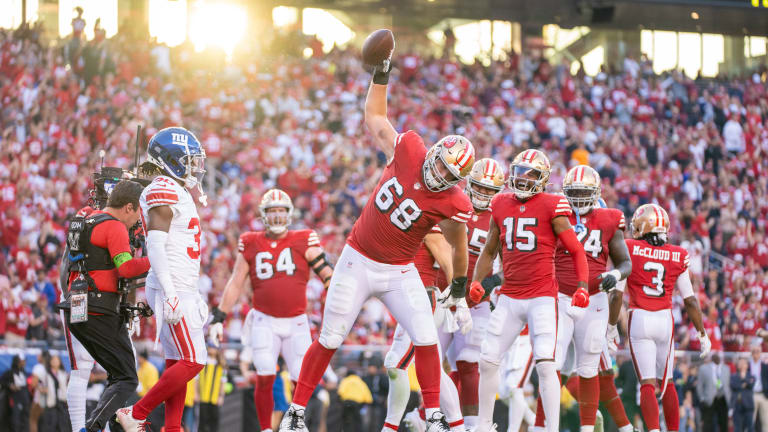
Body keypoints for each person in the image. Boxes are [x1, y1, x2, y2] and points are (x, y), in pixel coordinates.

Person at [279, 39, 475, 432]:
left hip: (400, 270)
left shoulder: (453, 201)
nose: (438, 176)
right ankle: (296, 412)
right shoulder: (410, 150)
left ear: (457, 182)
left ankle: (434, 414)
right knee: (331, 336)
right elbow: (374, 115)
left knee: (425, 336)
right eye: (439, 166)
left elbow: (455, 243)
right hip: (358, 259)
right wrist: (381, 74)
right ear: (433, 152)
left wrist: (457, 286)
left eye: (449, 176)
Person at [471, 149, 590, 432]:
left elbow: (576, 250)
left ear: (543, 178)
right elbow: (489, 249)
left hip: (541, 297)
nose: (523, 179)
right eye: (519, 172)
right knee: (487, 360)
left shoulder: (553, 204)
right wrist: (478, 281)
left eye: (531, 174)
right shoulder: (500, 202)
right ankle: (484, 425)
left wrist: (582, 286)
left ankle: (552, 428)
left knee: (546, 365)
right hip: (510, 295)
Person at [208, 188, 334, 432]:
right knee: (265, 373)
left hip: (297, 321)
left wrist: (339, 306)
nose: (277, 216)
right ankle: (266, 428)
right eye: (272, 211)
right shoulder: (251, 241)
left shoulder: (303, 238)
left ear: (289, 213)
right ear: (264, 215)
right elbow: (235, 282)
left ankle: (295, 424)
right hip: (264, 320)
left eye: (281, 211)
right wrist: (219, 317)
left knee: (301, 377)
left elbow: (329, 276)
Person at [117, 126, 209, 432]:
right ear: (171, 159)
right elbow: (155, 244)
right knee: (194, 360)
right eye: (190, 159)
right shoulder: (163, 188)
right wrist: (171, 292)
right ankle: (137, 413)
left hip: (180, 284)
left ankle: (172, 428)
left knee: (176, 359)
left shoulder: (174, 188)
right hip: (174, 284)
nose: (195, 166)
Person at [535, 165, 632, 432]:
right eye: (574, 192)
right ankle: (543, 426)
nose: (578, 197)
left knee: (589, 365)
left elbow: (625, 262)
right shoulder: (555, 213)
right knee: (550, 363)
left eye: (583, 192)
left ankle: (587, 428)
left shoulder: (610, 218)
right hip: (559, 297)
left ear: (596, 192)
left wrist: (614, 273)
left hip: (595, 299)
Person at [609, 204, 711, 432]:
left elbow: (616, 295)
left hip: (640, 319)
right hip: (665, 320)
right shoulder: (679, 254)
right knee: (668, 382)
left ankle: (654, 430)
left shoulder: (630, 247)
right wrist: (702, 333)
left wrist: (611, 326)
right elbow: (691, 300)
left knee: (647, 383)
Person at [62, 180, 150, 432]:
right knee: (127, 378)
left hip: (77, 309)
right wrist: (155, 259)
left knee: (116, 375)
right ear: (129, 207)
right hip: (99, 310)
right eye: (138, 214)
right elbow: (125, 268)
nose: (138, 221)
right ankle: (91, 429)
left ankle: (100, 426)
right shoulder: (115, 227)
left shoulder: (89, 218)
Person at [382, 223, 464, 431]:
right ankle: (457, 426)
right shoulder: (402, 225)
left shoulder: (427, 225)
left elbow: (449, 265)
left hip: (424, 297)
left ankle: (390, 427)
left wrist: (460, 300)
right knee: (435, 368)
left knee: (395, 362)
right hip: (410, 300)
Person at [499, 326, 535, 432]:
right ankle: (537, 423)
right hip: (506, 340)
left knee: (514, 386)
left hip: (526, 337)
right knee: (503, 392)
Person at [35, 354, 69, 432]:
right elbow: (36, 383)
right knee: (50, 426)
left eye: (57, 360)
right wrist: (42, 389)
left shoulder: (63, 373)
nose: (55, 362)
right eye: (53, 360)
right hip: (50, 403)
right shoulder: (46, 373)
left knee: (62, 426)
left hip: (62, 403)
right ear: (50, 362)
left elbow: (66, 387)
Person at [697, 352, 730, 432]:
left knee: (723, 423)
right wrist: (702, 398)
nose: (717, 357)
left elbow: (728, 385)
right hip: (709, 399)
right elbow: (699, 385)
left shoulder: (726, 368)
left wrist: (729, 398)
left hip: (723, 398)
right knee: (708, 424)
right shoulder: (704, 368)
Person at [198, 346, 227, 432]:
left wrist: (221, 396)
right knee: (202, 421)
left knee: (214, 421)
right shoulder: (203, 362)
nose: (212, 349)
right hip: (203, 397)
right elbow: (196, 379)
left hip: (215, 397)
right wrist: (196, 393)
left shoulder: (222, 365)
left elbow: (223, 381)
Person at [1, 355, 31, 432]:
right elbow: (3, 382)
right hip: (15, 399)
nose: (23, 363)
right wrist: (10, 386)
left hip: (25, 400)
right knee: (15, 419)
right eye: (21, 361)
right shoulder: (10, 372)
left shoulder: (23, 372)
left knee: (25, 419)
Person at [732, 357, 756, 432]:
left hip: (748, 405)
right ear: (737, 365)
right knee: (737, 428)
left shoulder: (751, 376)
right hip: (737, 405)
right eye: (740, 363)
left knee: (750, 427)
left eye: (744, 363)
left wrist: (744, 378)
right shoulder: (733, 376)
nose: (742, 365)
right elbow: (734, 385)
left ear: (747, 365)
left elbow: (751, 385)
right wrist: (745, 383)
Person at [749, 345, 768, 432]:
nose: (755, 354)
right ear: (751, 353)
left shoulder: (765, 366)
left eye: (757, 351)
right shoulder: (748, 366)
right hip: (751, 395)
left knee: (766, 421)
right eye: (754, 351)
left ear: (760, 353)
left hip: (763, 395)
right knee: (750, 421)